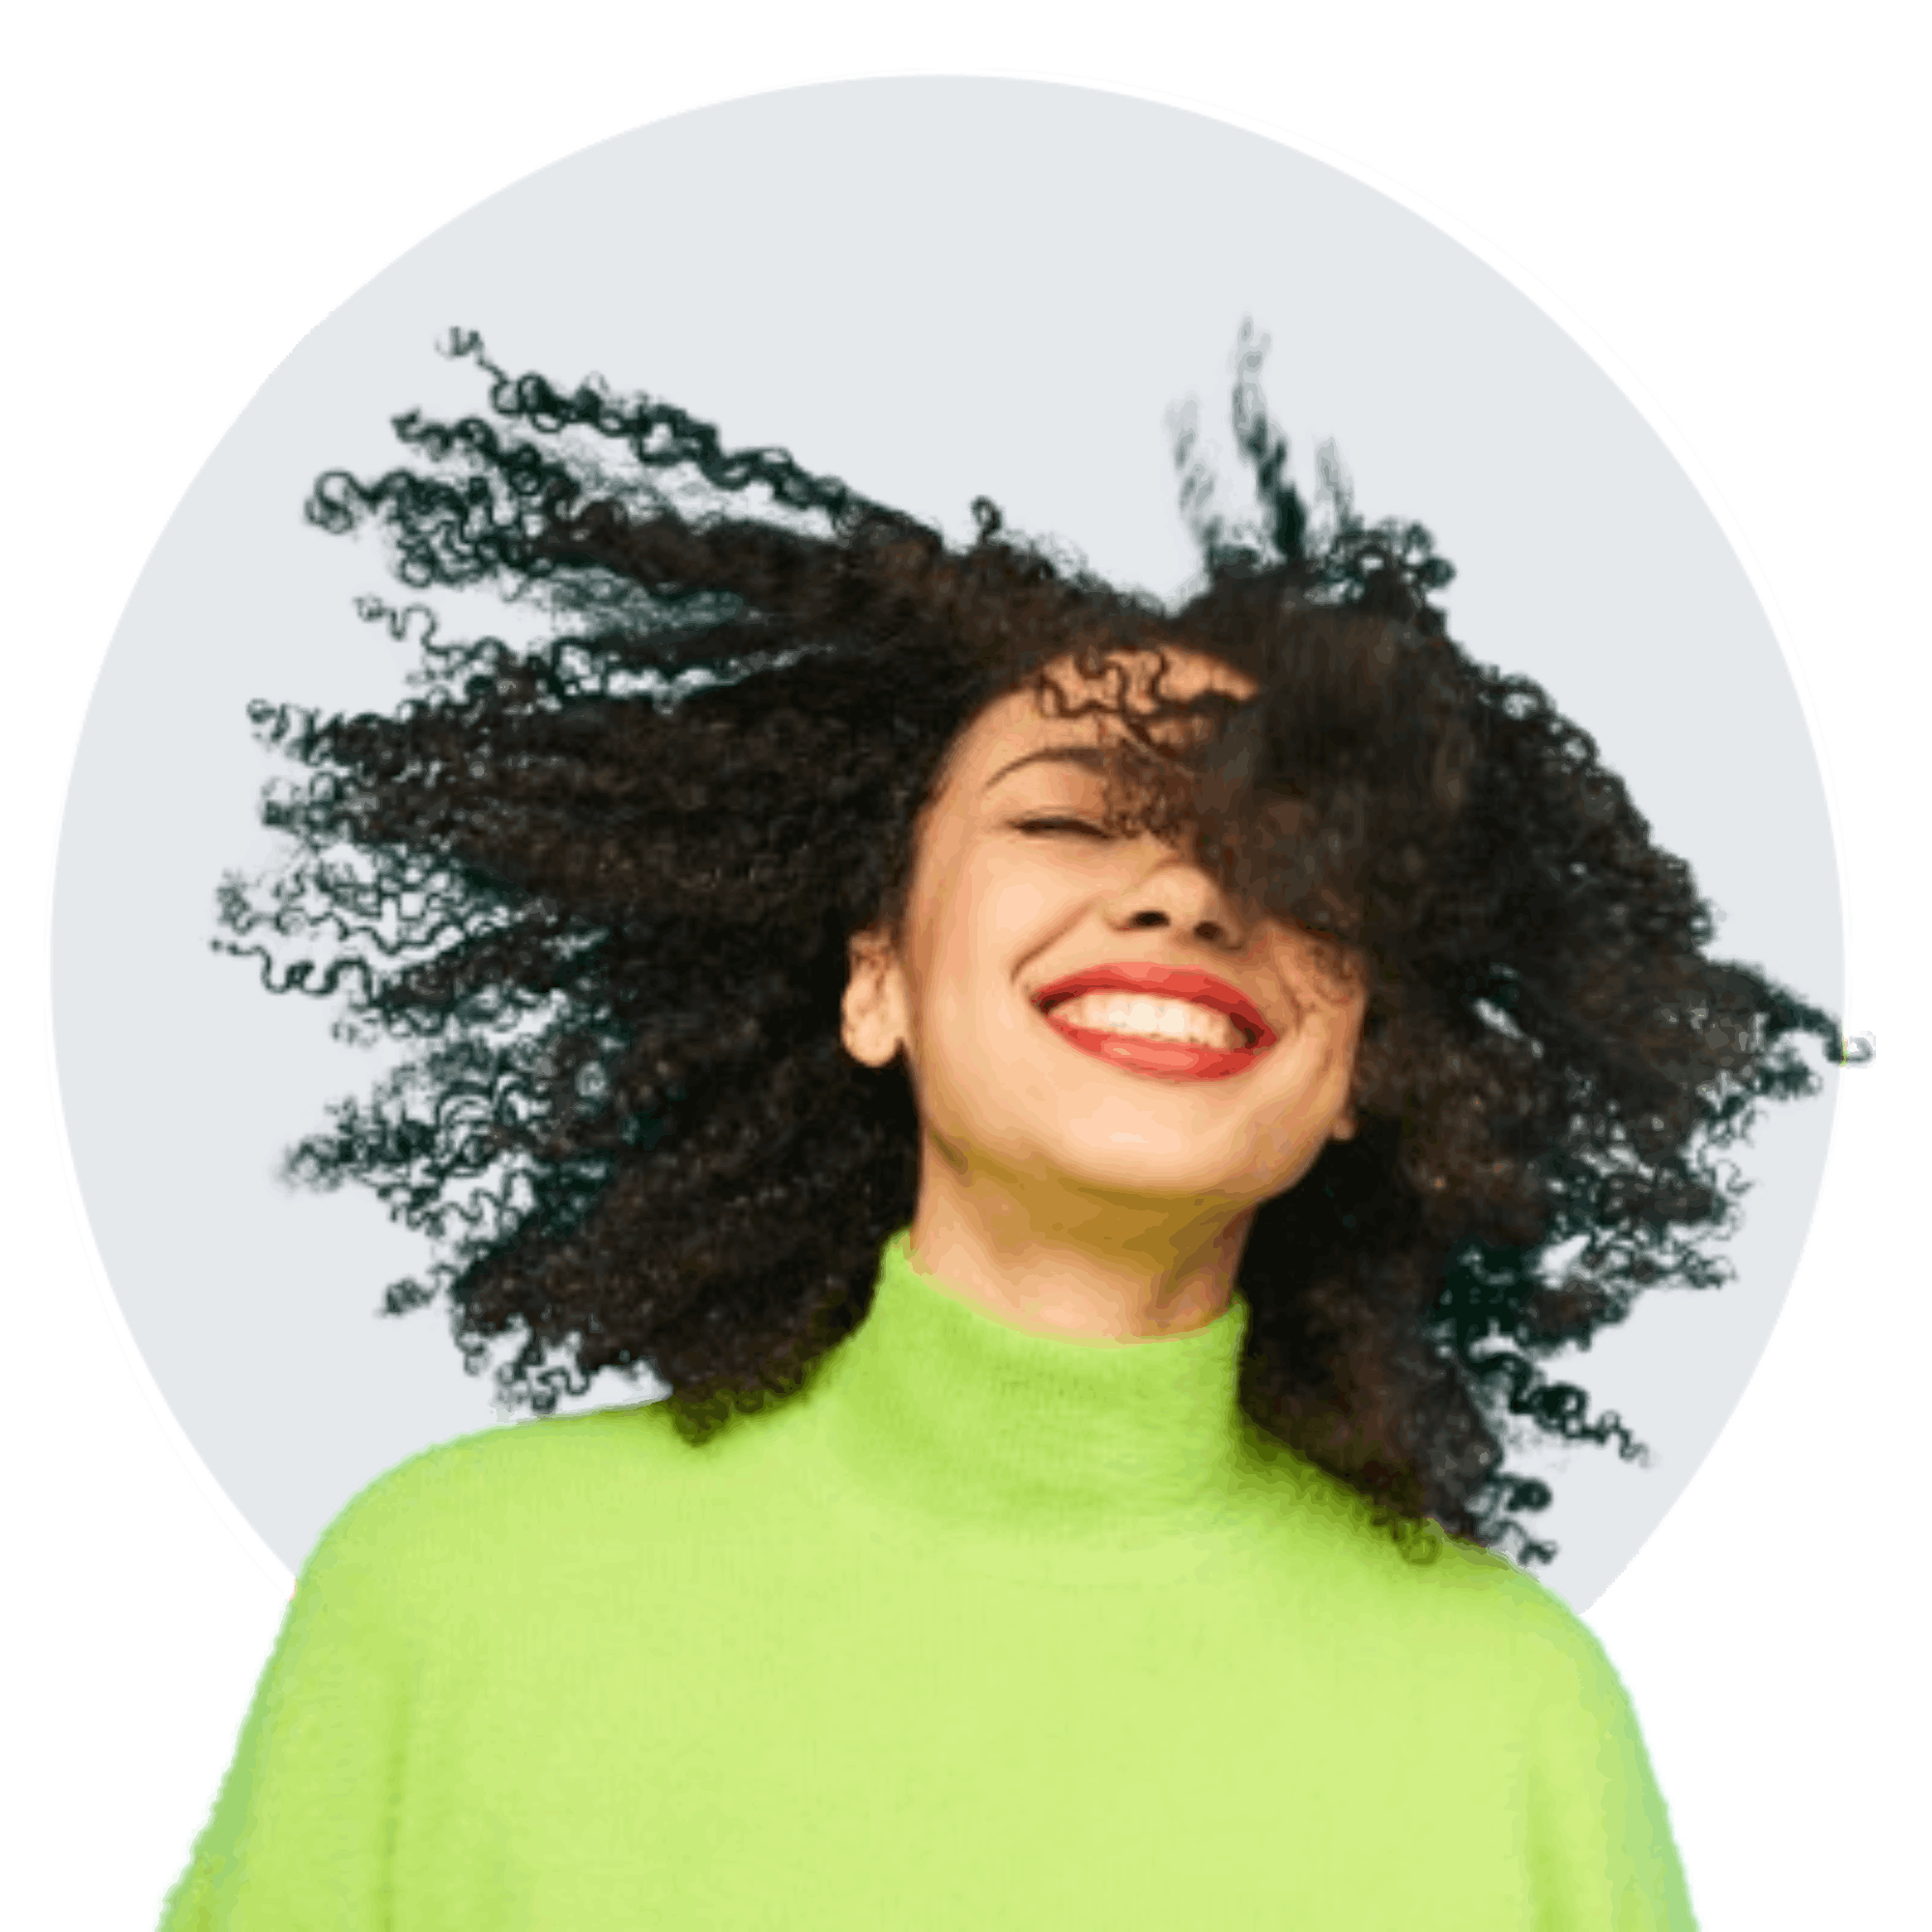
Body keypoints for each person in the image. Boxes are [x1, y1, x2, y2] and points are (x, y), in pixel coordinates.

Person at [155, 495, 1749, 1926]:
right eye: (1066, 819)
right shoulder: (446, 1596)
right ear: (878, 982)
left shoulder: (1522, 1720)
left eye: (1292, 863)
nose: (1190, 896)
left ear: (1357, 1072)